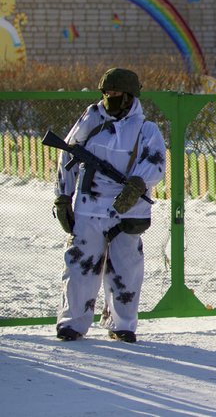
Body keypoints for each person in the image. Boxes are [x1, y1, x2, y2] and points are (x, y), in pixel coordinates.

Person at [52, 67, 166, 343]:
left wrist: (137, 185)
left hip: (127, 210)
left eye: (116, 93)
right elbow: (66, 157)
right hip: (88, 208)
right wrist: (63, 197)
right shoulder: (90, 120)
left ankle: (122, 324)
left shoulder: (145, 129)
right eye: (106, 93)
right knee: (79, 267)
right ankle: (72, 323)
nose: (110, 98)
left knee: (126, 270)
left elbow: (156, 163)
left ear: (129, 96)